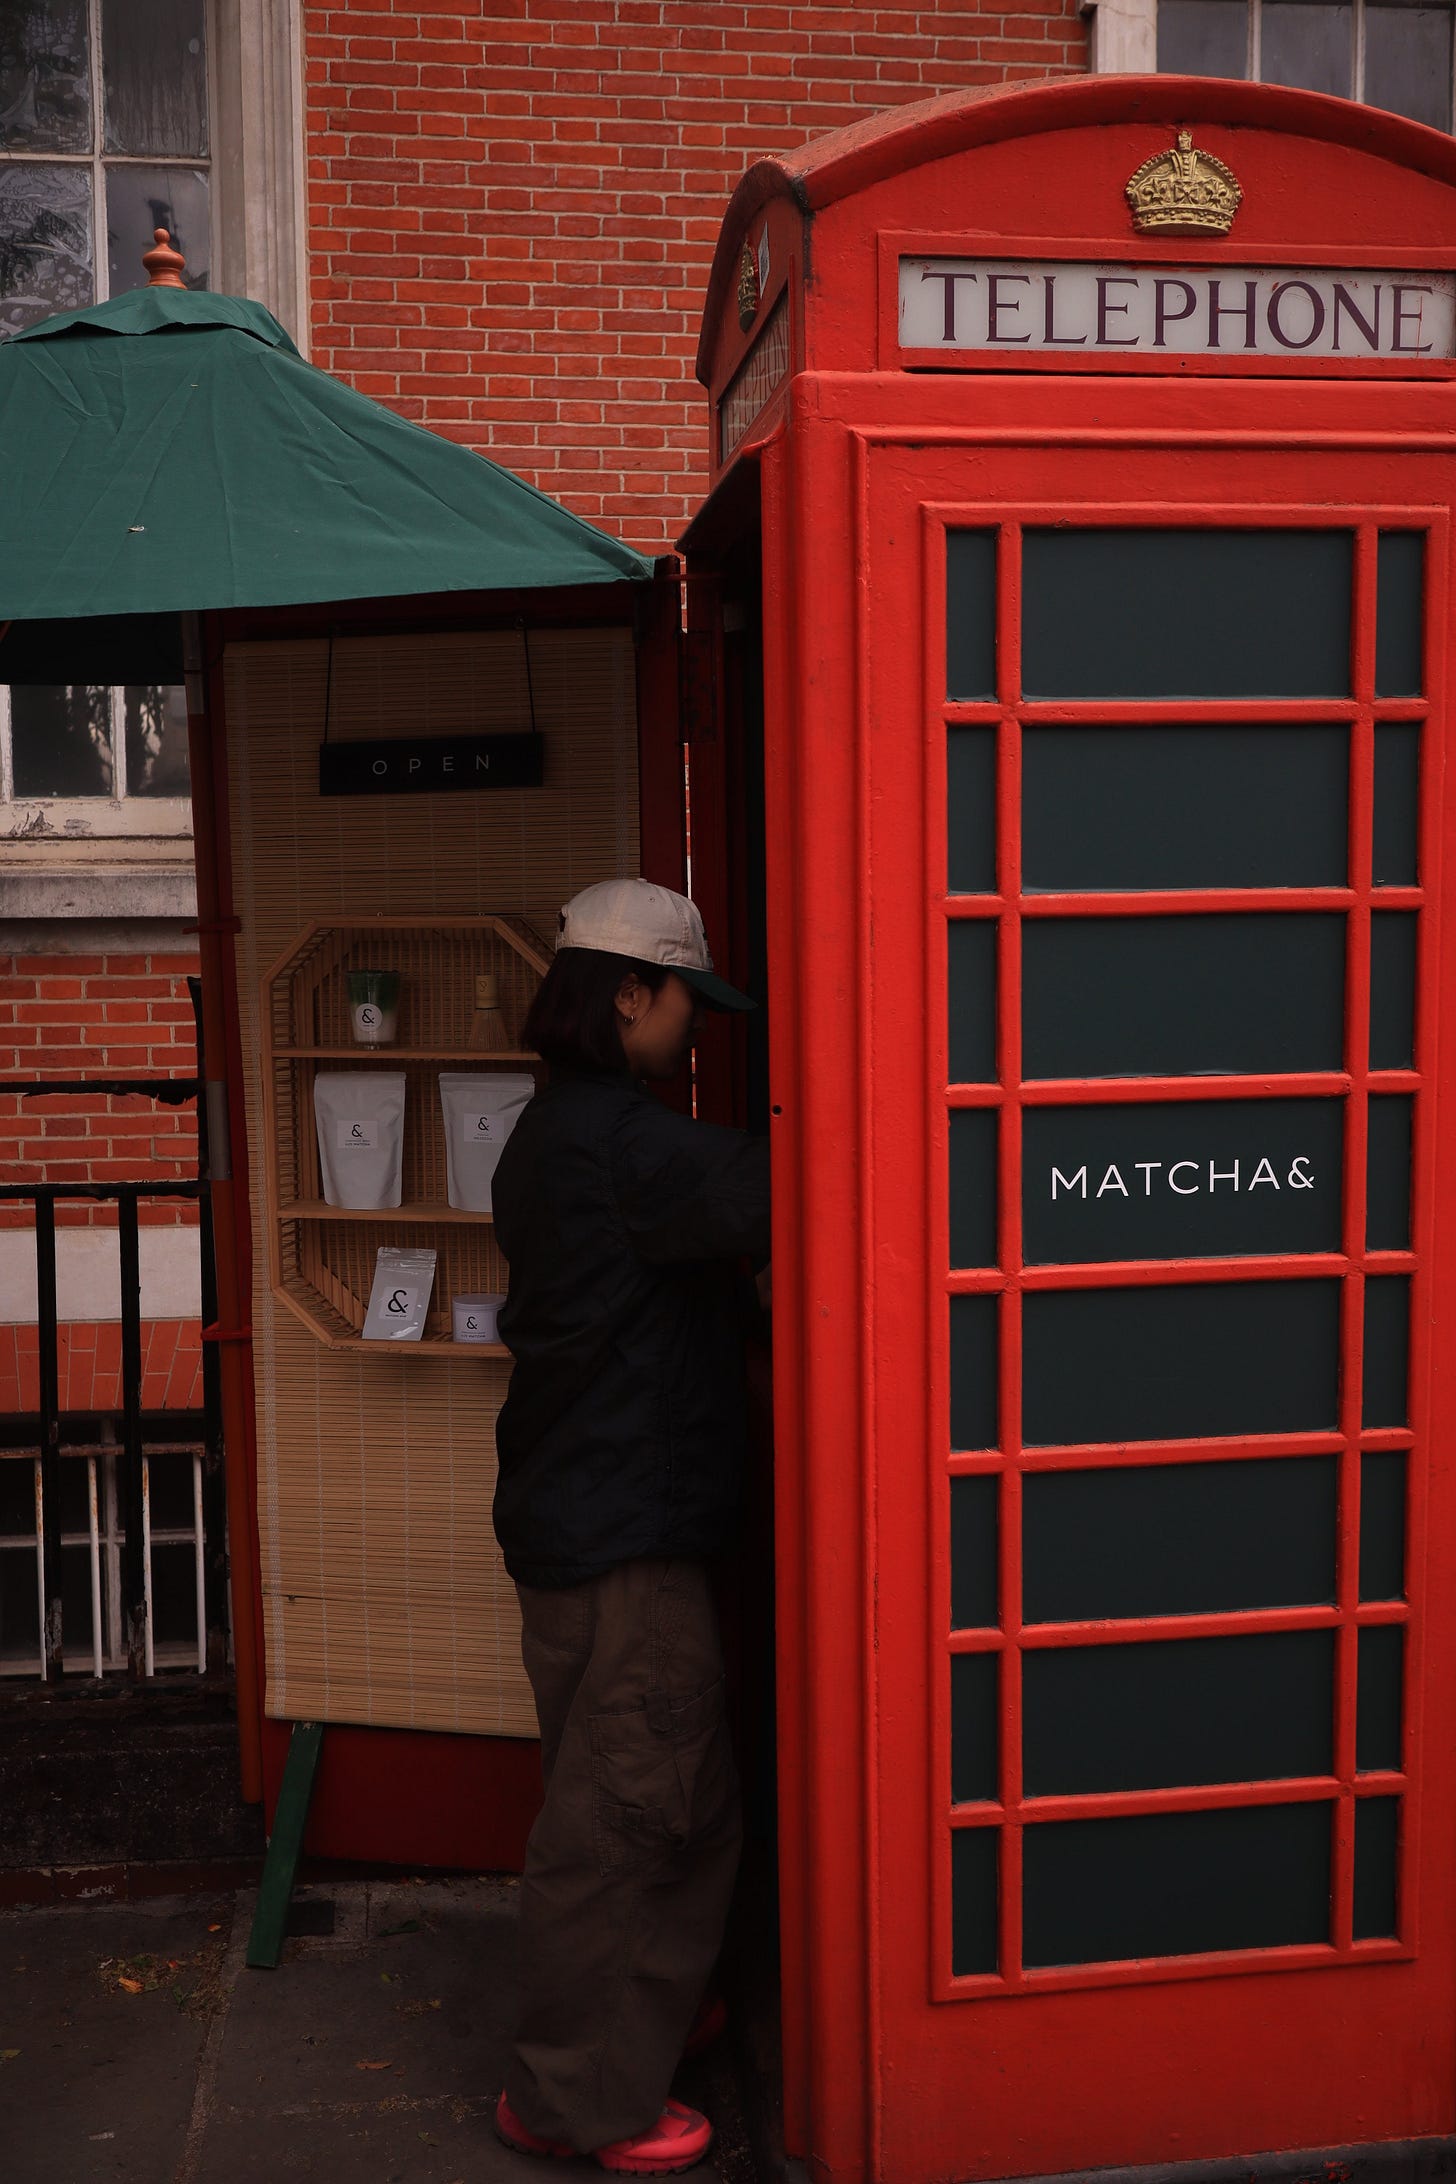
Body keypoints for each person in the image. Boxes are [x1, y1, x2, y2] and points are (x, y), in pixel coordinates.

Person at [490, 877, 771, 2176]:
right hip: (627, 1540)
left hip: (578, 1514)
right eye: (683, 1000)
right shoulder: (628, 1143)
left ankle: (642, 2021)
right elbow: (813, 1182)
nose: (695, 1025)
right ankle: (574, 2100)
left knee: (675, 1805)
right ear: (627, 995)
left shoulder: (548, 1133)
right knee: (626, 1823)